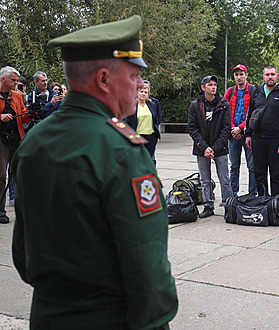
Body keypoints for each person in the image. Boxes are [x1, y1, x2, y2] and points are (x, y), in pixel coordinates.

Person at [11, 16, 178, 328]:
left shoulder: (35, 141)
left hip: (48, 314)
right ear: (103, 79)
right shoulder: (121, 151)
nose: (140, 85)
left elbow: (22, 252)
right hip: (109, 318)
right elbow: (145, 259)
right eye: (133, 76)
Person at [188, 75, 233, 217]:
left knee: (225, 179)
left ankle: (228, 206)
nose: (213, 87)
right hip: (202, 148)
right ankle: (208, 206)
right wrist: (205, 147)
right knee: (204, 179)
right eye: (210, 85)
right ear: (203, 88)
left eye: (215, 84)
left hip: (220, 148)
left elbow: (226, 128)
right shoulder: (195, 105)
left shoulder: (224, 104)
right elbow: (192, 128)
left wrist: (215, 148)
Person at [245, 65, 279, 196]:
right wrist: (248, 134)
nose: (270, 77)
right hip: (258, 139)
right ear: (263, 77)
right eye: (267, 74)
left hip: (276, 140)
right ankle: (263, 200)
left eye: (272, 74)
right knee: (259, 173)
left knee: (276, 174)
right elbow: (250, 114)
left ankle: (276, 202)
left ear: (277, 76)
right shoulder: (256, 91)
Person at [0, 66, 29, 224]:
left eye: (17, 80)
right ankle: (0, 211)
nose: (16, 83)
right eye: (13, 80)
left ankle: (23, 210)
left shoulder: (17, 96)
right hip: (2, 141)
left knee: (20, 174)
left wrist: (30, 114)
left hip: (17, 139)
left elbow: (23, 117)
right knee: (1, 176)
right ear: (3, 79)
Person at [224, 64, 257, 196]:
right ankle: (233, 194)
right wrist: (233, 128)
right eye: (236, 75)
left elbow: (255, 113)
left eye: (241, 74)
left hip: (249, 134)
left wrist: (241, 128)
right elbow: (224, 112)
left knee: (252, 167)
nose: (239, 77)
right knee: (234, 166)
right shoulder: (230, 91)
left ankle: (252, 194)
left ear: (246, 75)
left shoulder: (254, 90)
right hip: (233, 135)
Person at [124, 80, 162, 162]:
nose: (143, 94)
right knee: (137, 160)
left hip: (151, 137)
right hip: (138, 137)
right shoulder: (132, 106)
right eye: (141, 92)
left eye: (145, 92)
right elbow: (127, 123)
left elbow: (157, 119)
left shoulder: (152, 104)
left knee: (149, 160)